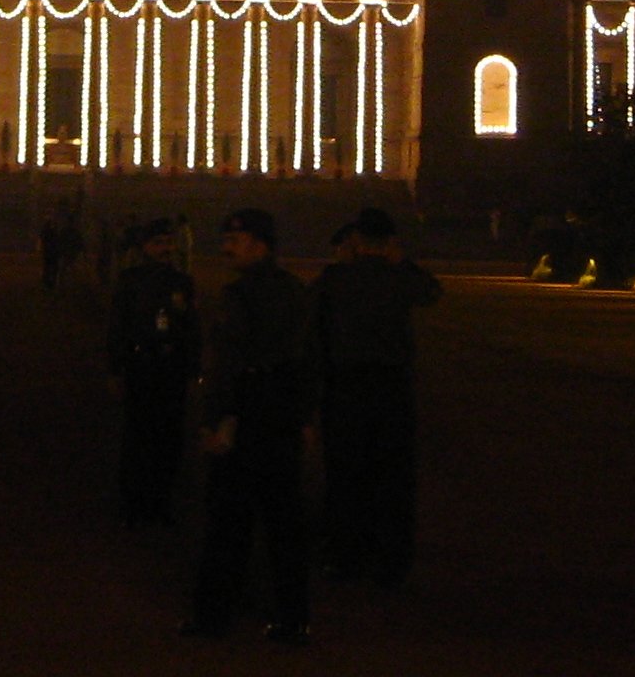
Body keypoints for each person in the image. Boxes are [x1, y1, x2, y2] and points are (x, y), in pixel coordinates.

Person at [185, 208, 313, 645]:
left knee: (228, 520)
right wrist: (303, 415)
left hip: (245, 412)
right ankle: (294, 617)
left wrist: (216, 419)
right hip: (281, 412)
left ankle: (214, 615)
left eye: (234, 241)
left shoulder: (239, 295)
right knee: (284, 521)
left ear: (259, 245)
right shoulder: (294, 290)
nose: (227, 248)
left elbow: (227, 363)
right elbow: (307, 359)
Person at [314, 206, 440, 588]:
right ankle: (392, 560)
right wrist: (402, 263)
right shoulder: (399, 277)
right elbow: (431, 292)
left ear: (355, 239)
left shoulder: (336, 278)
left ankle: (346, 555)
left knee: (346, 473)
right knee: (393, 475)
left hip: (346, 384)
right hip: (391, 385)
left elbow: (314, 321)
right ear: (390, 241)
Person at [105, 220, 198, 527]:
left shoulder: (182, 282)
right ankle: (134, 502)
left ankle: (160, 501)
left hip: (171, 367)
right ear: (144, 247)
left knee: (169, 437)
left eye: (168, 242)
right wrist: (115, 369)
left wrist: (193, 369)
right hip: (141, 365)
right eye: (158, 243)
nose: (166, 248)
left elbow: (191, 327)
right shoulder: (131, 281)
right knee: (139, 435)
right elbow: (118, 326)